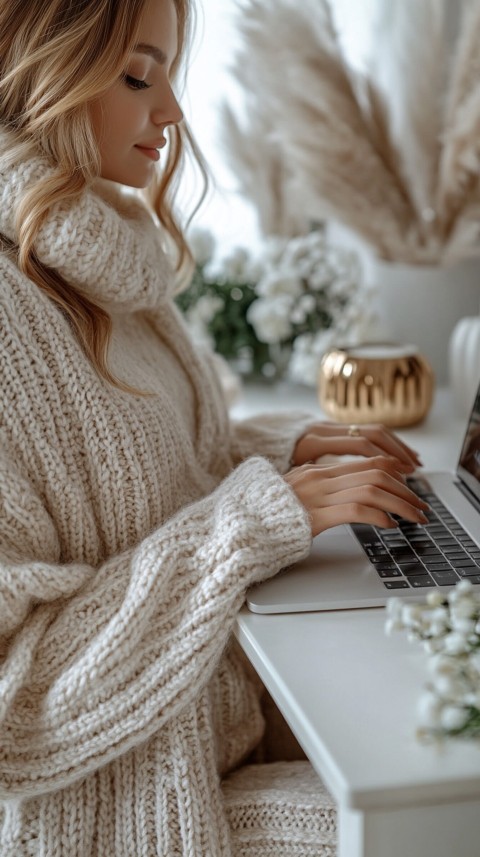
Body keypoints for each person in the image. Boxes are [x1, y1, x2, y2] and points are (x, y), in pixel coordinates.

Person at [0, 0, 430, 854]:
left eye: (167, 72)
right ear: (39, 73)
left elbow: (165, 470)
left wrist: (289, 452)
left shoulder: (102, 256)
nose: (171, 111)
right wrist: (260, 517)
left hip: (225, 720)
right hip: (141, 812)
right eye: (136, 75)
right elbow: (15, 711)